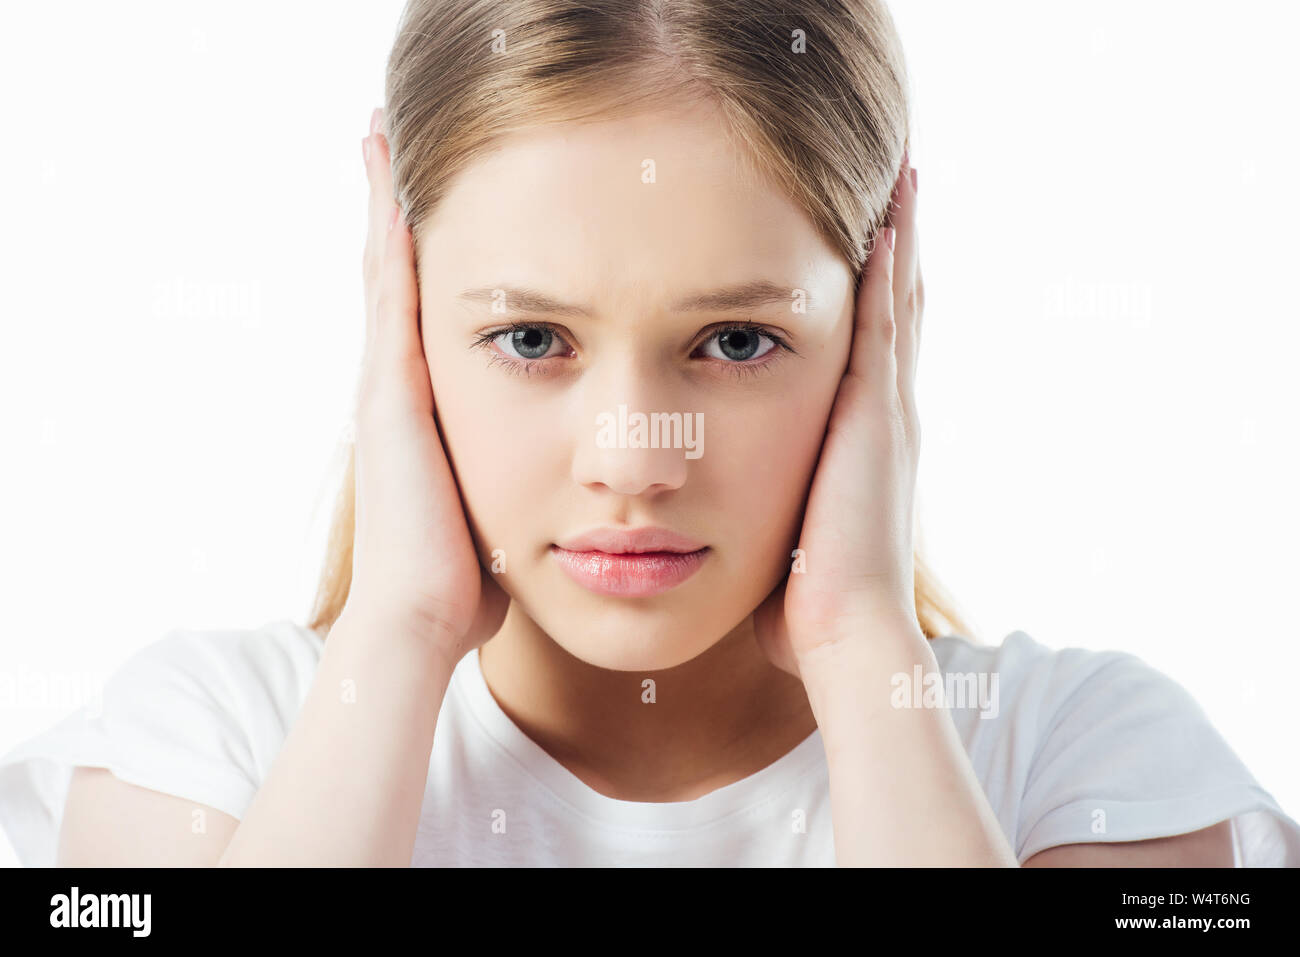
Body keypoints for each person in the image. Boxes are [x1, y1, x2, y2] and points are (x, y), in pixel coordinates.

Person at [3, 0, 1298, 867]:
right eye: (530, 339)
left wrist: (860, 645)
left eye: (736, 341)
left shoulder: (1097, 764)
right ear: (397, 313)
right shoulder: (198, 746)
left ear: (877, 326)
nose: (632, 453)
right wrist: (396, 631)